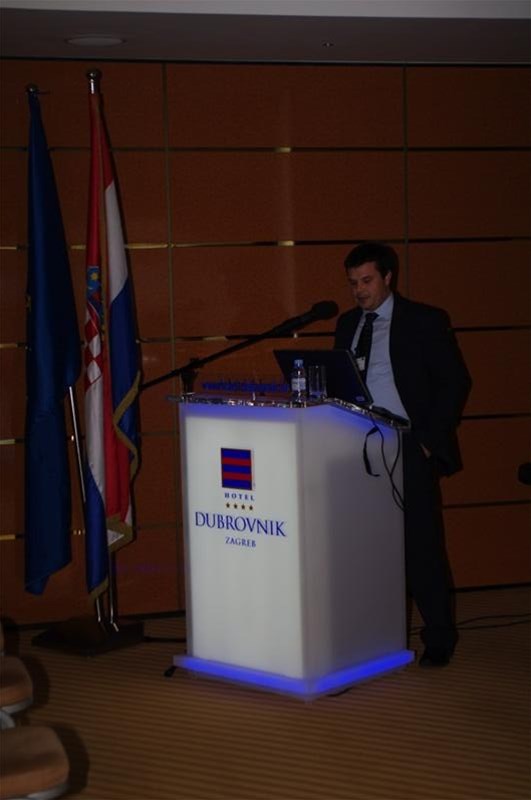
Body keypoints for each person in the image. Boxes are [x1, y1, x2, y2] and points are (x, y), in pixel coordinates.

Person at [334, 241, 471, 667]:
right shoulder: (347, 324)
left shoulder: (424, 320)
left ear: (388, 277)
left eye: (367, 280)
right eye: (353, 283)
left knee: (421, 546)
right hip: (356, 448)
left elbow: (455, 382)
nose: (359, 290)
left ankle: (439, 637)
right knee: (362, 547)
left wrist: (427, 440)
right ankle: (369, 632)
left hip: (407, 445)